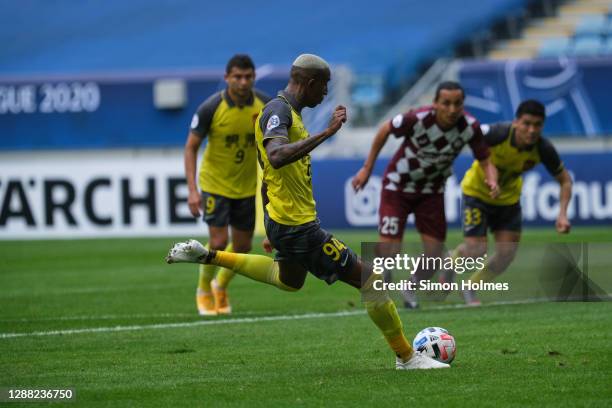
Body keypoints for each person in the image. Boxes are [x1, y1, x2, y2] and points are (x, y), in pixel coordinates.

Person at [167, 54, 448, 370]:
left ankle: (209, 256)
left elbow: (265, 168)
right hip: (297, 225)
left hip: (283, 221)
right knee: (372, 280)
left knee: (288, 281)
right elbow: (275, 156)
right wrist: (326, 134)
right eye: (324, 85)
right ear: (310, 83)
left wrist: (270, 220)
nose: (326, 93)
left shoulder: (290, 113)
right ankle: (407, 357)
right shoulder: (278, 111)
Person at [351, 81, 498, 308]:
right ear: (435, 103)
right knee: (390, 249)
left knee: (435, 253)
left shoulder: (470, 126)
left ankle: (409, 287)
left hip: (431, 193)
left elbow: (486, 160)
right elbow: (384, 130)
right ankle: (381, 276)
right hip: (397, 187)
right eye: (446, 103)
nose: (451, 109)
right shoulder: (416, 119)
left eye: (457, 104)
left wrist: (492, 180)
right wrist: (367, 168)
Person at [449, 99, 573, 305]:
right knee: (476, 251)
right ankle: (449, 262)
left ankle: (470, 288)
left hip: (508, 201)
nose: (532, 130)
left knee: (506, 254)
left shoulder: (543, 148)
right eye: (526, 123)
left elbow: (565, 181)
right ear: (516, 122)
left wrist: (562, 214)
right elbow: (470, 138)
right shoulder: (497, 134)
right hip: (477, 193)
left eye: (537, 125)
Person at [184, 54, 270, 315]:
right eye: (237, 77)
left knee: (243, 247)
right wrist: (192, 190)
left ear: (254, 77)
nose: (243, 82)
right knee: (219, 242)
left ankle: (219, 284)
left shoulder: (265, 105)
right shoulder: (211, 107)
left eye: (248, 77)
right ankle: (202, 290)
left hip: (245, 186)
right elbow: (190, 148)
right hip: (215, 184)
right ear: (227, 78)